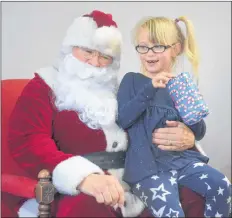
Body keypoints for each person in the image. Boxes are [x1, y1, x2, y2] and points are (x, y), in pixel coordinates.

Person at [8, 10, 206, 217]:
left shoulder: (121, 90)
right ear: (70, 47)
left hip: (136, 181)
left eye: (104, 56)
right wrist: (83, 177)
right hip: (78, 190)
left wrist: (187, 136)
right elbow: (28, 140)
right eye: (87, 51)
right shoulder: (44, 85)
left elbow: (153, 126)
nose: (94, 62)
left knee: (194, 193)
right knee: (88, 208)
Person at [117, 16, 231, 217]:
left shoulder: (179, 86)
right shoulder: (132, 81)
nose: (149, 53)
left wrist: (193, 108)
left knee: (222, 185)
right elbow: (123, 119)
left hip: (183, 162)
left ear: (176, 49)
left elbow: (198, 132)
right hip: (148, 169)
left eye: (158, 46)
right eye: (143, 47)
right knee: (171, 212)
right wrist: (150, 88)